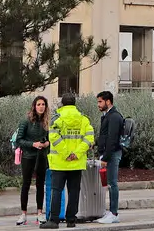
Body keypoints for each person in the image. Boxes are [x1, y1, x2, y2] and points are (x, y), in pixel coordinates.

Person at [40, 93, 94, 229]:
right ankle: (71, 220)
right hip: (76, 163)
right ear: (75, 104)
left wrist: (66, 154)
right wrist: (76, 154)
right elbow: (89, 139)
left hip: (59, 163)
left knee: (57, 190)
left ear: (62, 104)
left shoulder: (56, 119)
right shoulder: (84, 120)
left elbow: (53, 138)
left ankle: (54, 221)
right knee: (74, 191)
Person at [14, 96, 50, 226]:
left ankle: (39, 213)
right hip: (28, 156)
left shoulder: (46, 122)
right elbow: (19, 140)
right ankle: (23, 214)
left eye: (43, 104)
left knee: (41, 184)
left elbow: (49, 138)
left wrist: (47, 143)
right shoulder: (26, 121)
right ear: (34, 106)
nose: (41, 106)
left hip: (41, 156)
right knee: (26, 184)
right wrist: (33, 144)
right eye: (39, 104)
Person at [96, 91, 124, 224]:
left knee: (113, 184)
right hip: (109, 154)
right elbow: (104, 135)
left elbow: (112, 139)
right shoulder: (108, 116)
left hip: (112, 154)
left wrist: (105, 158)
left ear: (108, 101)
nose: (98, 104)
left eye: (100, 102)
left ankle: (114, 213)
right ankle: (111, 212)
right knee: (110, 184)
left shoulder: (114, 117)